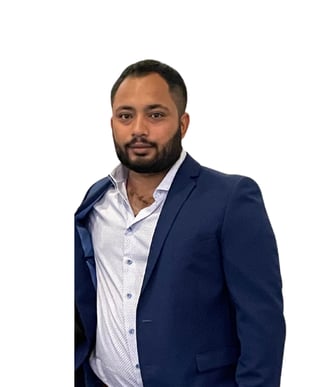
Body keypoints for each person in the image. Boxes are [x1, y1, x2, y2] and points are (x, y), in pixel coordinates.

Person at [75, 59, 286, 387]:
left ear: (183, 123)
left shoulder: (230, 199)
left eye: (155, 115)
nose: (138, 130)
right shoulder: (96, 200)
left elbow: (262, 323)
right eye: (125, 115)